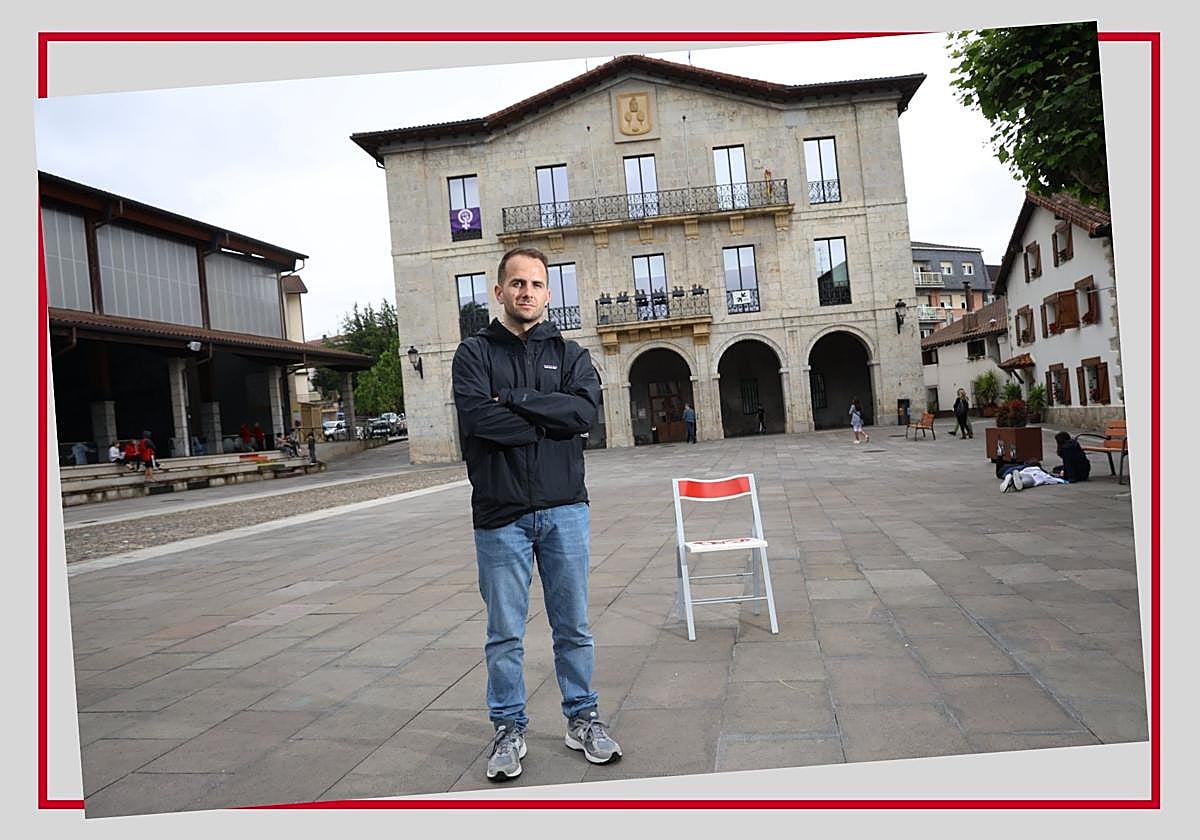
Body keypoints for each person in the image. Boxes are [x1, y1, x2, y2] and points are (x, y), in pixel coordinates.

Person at [452, 246, 620, 782]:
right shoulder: (473, 354)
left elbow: (584, 413)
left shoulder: (570, 354)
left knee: (573, 626)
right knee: (505, 633)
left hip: (564, 511)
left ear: (549, 294)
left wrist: (517, 399)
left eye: (537, 284)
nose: (527, 292)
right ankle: (508, 728)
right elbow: (479, 421)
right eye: (517, 283)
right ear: (498, 292)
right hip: (500, 516)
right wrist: (547, 422)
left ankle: (582, 718)